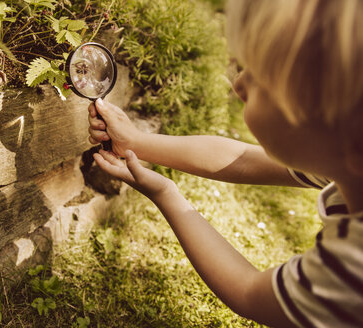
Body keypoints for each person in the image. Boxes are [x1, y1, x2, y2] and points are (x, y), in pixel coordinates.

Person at [87, 0, 363, 327]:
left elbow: (249, 293)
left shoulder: (354, 269)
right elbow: (243, 160)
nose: (239, 85)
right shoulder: (344, 155)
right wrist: (135, 142)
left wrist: (164, 193)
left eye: (259, 77)